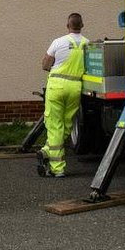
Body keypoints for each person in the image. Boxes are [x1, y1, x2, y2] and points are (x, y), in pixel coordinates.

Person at [37, 12, 88, 178]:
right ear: (82, 25)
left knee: (54, 125)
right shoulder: (87, 44)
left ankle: (57, 167)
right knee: (66, 124)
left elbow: (45, 64)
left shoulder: (58, 42)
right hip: (75, 88)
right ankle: (46, 151)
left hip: (57, 86)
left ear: (68, 26)